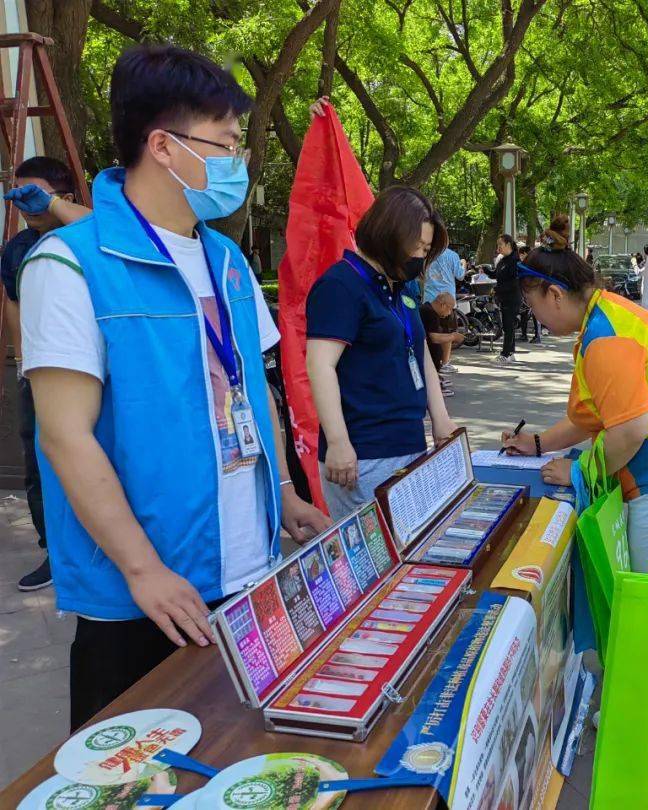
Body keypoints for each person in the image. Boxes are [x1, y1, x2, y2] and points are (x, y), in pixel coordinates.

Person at [19, 45, 330, 730]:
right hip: (146, 594)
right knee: (140, 779)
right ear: (163, 146)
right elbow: (66, 437)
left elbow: (250, 392)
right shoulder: (69, 265)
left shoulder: (226, 260)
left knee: (244, 763)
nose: (237, 162)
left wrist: (283, 494)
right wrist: (142, 570)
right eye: (223, 143)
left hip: (250, 573)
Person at [502, 215, 648, 572]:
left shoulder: (605, 338)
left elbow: (630, 428)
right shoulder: (606, 315)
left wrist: (580, 470)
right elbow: (599, 415)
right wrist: (538, 443)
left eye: (532, 306)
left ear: (555, 295)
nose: (534, 316)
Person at [306, 185, 459, 522]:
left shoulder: (399, 286)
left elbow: (417, 351)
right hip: (364, 453)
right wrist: (338, 441)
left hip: (408, 442)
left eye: (426, 248)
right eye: (416, 247)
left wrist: (441, 417)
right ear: (388, 235)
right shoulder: (341, 286)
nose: (419, 256)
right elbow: (320, 365)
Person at [1, 157, 91, 592]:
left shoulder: (86, 236)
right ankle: (54, 553)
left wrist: (54, 206)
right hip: (37, 376)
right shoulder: (16, 248)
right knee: (39, 464)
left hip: (86, 376)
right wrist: (22, 360)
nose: (23, 203)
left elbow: (109, 226)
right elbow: (13, 301)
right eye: (17, 195)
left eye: (32, 193)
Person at [420, 292, 464, 396]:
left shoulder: (428, 309)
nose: (449, 313)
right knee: (435, 349)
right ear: (443, 305)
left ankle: (435, 378)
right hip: (424, 349)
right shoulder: (430, 313)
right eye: (449, 309)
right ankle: (433, 386)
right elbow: (434, 338)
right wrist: (453, 337)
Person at [494, 233, 520, 363]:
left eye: (500, 245)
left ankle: (506, 353)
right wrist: (485, 271)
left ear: (508, 245)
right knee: (507, 325)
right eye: (497, 245)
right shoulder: (503, 260)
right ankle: (511, 352)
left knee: (508, 325)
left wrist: (497, 289)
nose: (498, 247)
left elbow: (514, 282)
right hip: (504, 297)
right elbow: (498, 275)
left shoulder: (514, 260)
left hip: (512, 297)